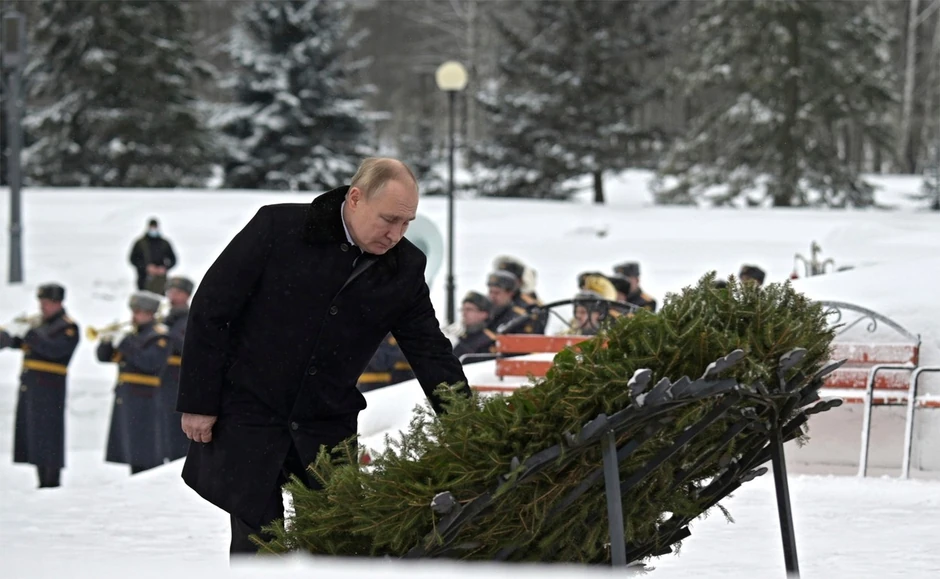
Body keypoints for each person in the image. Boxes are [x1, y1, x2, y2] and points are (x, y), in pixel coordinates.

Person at [175, 157, 471, 555]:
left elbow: (430, 350)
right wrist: (199, 402)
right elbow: (212, 310)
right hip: (251, 414)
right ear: (355, 198)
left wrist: (467, 423)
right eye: (389, 219)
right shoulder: (278, 227)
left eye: (406, 223)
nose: (396, 234)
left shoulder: (406, 267)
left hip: (326, 424)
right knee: (258, 544)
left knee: (340, 544)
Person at [0, 284, 79, 488]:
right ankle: (42, 481)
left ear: (58, 303)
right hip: (32, 387)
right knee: (35, 435)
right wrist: (8, 333)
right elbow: (14, 342)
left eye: (46, 302)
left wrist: (29, 333)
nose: (42, 306)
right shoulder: (38, 324)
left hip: (50, 388)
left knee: (49, 435)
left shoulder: (67, 327)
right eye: (41, 302)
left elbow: (54, 350)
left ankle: (51, 482)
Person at [99, 290, 170, 475]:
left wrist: (124, 343)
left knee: (146, 446)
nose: (134, 316)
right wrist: (106, 342)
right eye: (134, 311)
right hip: (127, 395)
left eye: (138, 312)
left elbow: (149, 362)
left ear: (150, 313)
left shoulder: (159, 336)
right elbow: (105, 357)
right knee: (132, 446)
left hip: (145, 398)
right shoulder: (132, 335)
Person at [160, 276, 194, 462]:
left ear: (187, 295)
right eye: (170, 292)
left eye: (178, 292)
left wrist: (168, 334)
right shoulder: (165, 318)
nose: (172, 296)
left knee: (176, 423)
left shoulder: (190, 318)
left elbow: (187, 346)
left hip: (179, 377)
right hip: (163, 378)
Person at [129, 218, 177, 294]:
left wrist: (164, 268)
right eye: (152, 227)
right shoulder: (140, 243)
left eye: (155, 227)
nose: (153, 229)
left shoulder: (164, 243)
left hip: (160, 281)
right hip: (144, 279)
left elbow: (173, 259)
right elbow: (133, 259)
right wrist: (146, 267)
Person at [453, 291, 498, 363]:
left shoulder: (490, 341)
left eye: (469, 309)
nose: (464, 313)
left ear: (484, 314)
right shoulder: (460, 337)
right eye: (462, 309)